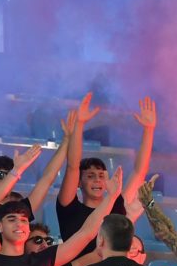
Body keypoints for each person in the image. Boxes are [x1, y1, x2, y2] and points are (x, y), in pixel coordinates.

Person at [56, 95, 156, 255]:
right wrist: (79, 124)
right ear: (79, 182)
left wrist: (149, 130)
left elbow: (139, 172)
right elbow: (73, 166)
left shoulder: (116, 207)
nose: (97, 180)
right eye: (90, 176)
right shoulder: (70, 207)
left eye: (101, 176)